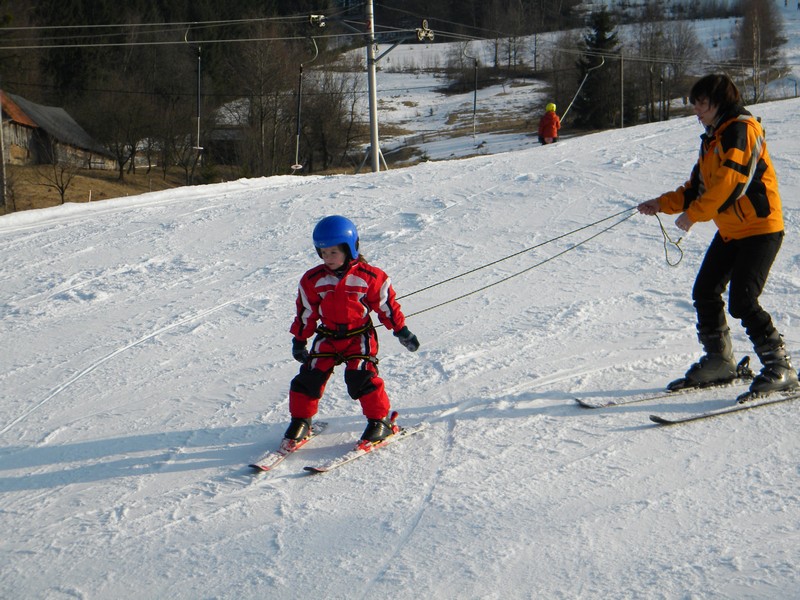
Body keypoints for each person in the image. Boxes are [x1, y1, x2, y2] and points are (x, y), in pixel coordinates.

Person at [637, 73, 798, 398]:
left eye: (702, 103)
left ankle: (780, 366)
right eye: (695, 103)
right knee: (705, 291)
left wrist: (694, 214)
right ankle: (719, 361)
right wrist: (662, 204)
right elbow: (697, 188)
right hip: (732, 232)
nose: (696, 109)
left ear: (720, 102)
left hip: (761, 229)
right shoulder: (713, 138)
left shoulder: (742, 131)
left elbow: (731, 184)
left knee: (742, 300)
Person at [283, 215, 420, 448]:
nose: (327, 258)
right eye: (323, 252)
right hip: (327, 335)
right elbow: (306, 312)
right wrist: (300, 340)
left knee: (360, 376)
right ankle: (301, 420)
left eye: (333, 252)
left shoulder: (371, 277)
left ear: (350, 249)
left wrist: (401, 331)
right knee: (309, 376)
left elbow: (386, 306)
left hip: (359, 336)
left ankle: (380, 421)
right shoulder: (312, 279)